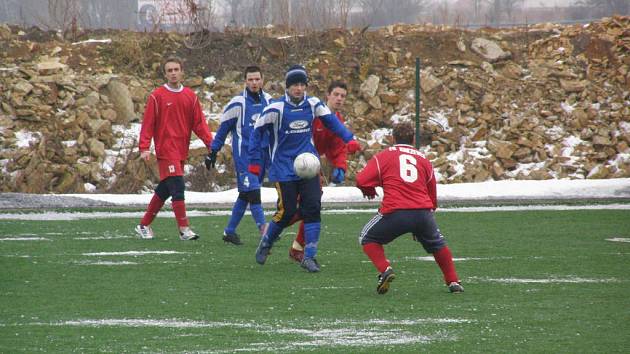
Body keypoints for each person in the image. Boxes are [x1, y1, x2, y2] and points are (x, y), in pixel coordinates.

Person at [248, 65, 361, 272]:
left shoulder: (313, 104)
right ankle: (266, 242)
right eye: (294, 85)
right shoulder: (275, 108)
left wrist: (349, 139)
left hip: (308, 165)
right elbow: (256, 134)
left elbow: (333, 124)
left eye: (302, 84)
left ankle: (309, 256)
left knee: (312, 208)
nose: (299, 89)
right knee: (287, 210)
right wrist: (255, 163)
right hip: (283, 167)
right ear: (287, 87)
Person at [355, 122, 464, 294]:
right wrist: (424, 219)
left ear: (392, 138)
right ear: (413, 139)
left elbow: (361, 180)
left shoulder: (384, 156)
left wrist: (369, 189)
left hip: (395, 211)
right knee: (438, 245)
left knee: (366, 238)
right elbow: (432, 193)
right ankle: (453, 282)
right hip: (423, 212)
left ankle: (385, 270)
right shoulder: (423, 159)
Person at [135, 56, 213, 241]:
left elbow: (199, 124)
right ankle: (184, 230)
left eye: (176, 69)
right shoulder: (157, 96)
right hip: (166, 150)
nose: (173, 73)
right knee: (178, 186)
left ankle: (143, 225)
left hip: (181, 150)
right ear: (165, 73)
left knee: (165, 189)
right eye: (169, 70)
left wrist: (212, 144)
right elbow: (148, 123)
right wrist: (144, 147)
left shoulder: (190, 97)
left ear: (182, 71)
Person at [205, 65, 272, 245]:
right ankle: (264, 230)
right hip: (245, 157)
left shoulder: (269, 101)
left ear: (262, 80)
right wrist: (213, 151)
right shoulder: (237, 103)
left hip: (263, 156)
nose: (254, 82)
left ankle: (229, 232)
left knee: (245, 194)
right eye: (250, 79)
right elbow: (223, 130)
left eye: (257, 79)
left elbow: (276, 128)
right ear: (245, 81)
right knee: (253, 191)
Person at [288, 81, 353, 263]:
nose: (339, 98)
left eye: (343, 96)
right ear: (328, 95)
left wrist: (340, 167)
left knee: (312, 206)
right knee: (295, 208)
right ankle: (272, 230)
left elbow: (339, 147)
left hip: (311, 167)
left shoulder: (337, 121)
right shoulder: (314, 113)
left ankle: (297, 247)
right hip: (294, 162)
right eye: (336, 94)